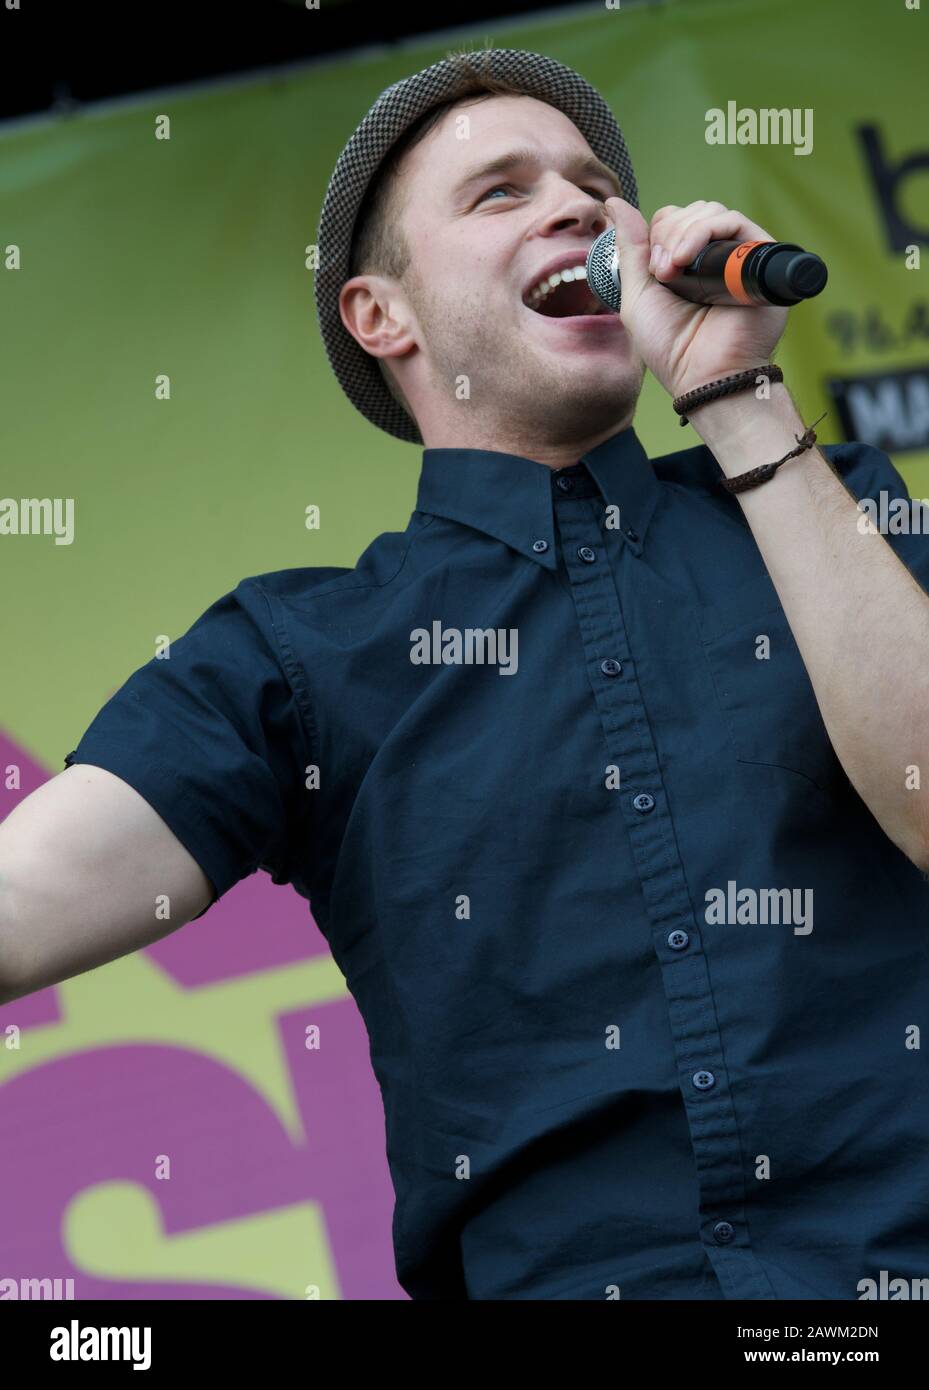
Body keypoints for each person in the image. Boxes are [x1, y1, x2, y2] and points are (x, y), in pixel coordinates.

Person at [3, 47, 929, 1301]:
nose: (575, 208)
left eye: (595, 187)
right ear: (380, 316)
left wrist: (737, 397)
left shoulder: (827, 509)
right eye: (499, 192)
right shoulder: (295, 655)